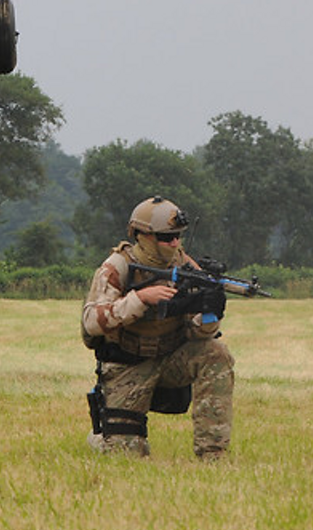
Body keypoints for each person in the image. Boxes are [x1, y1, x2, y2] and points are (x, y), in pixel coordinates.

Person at [82, 196, 234, 460]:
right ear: (143, 235)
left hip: (169, 360)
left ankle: (213, 454)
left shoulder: (184, 264)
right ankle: (101, 437)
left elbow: (195, 332)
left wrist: (209, 315)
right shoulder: (118, 266)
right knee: (126, 456)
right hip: (127, 365)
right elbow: (91, 322)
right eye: (166, 237)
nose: (174, 243)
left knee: (216, 353)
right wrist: (140, 299)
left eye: (178, 237)